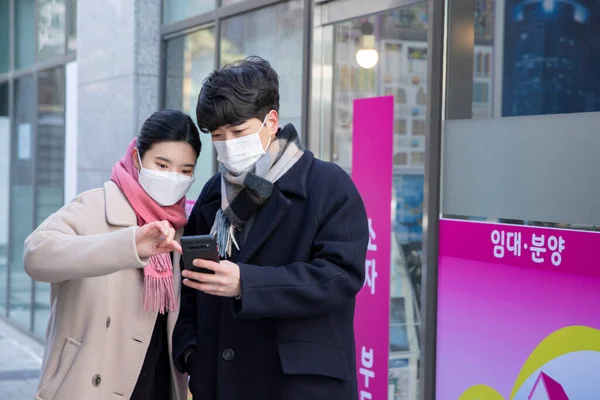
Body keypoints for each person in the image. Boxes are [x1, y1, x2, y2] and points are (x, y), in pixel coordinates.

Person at [173, 56, 369, 400]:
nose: (227, 144)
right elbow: (190, 287)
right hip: (222, 381)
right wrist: (192, 353)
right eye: (218, 135)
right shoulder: (211, 195)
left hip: (298, 384)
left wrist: (246, 284)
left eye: (238, 131)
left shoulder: (327, 185)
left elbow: (340, 276)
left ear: (271, 121)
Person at [24, 109, 201, 400]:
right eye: (162, 164)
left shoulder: (183, 227)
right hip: (88, 386)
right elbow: (35, 255)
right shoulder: (95, 207)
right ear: (136, 159)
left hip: (158, 386)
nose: (173, 178)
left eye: (185, 170)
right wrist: (128, 245)